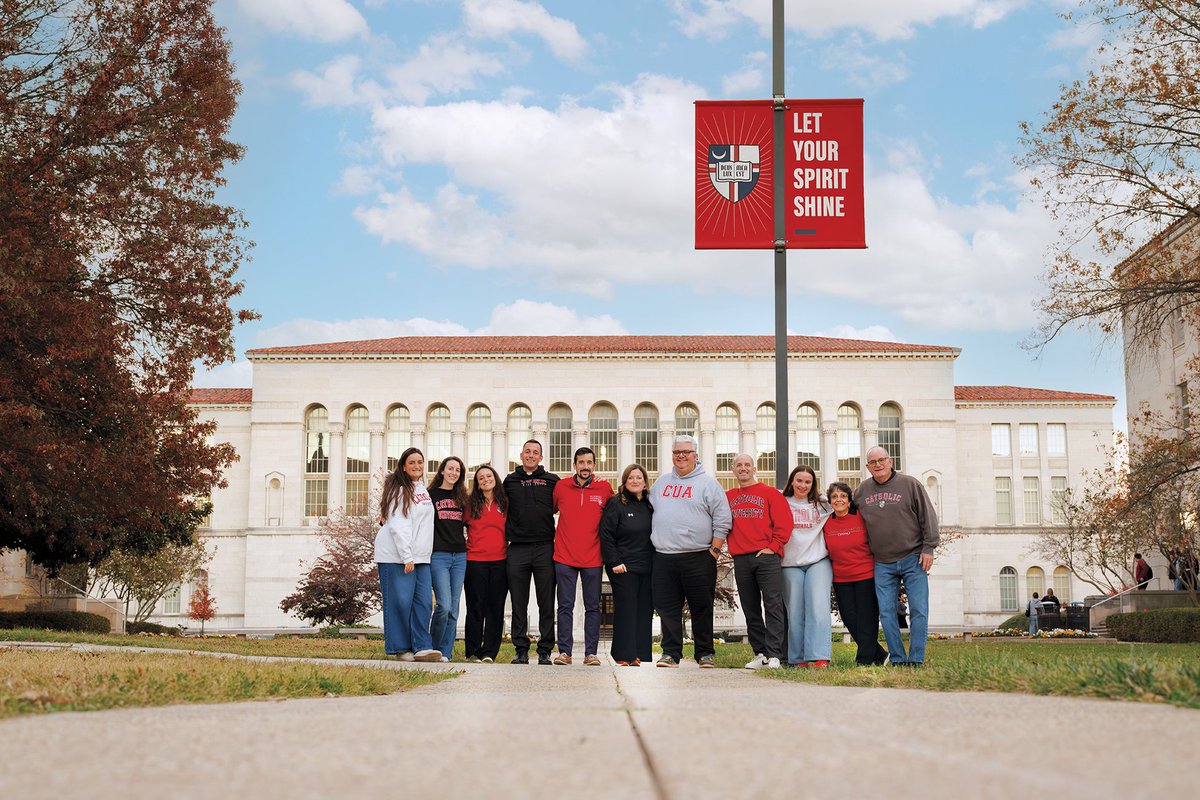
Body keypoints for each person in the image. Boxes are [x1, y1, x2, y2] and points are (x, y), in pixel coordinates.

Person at [649, 434, 732, 668]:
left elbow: (723, 519)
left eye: (686, 452)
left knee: (701, 607)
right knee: (668, 608)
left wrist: (714, 551)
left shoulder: (708, 484)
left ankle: (705, 653)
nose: (681, 456)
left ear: (696, 455)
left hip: (698, 556)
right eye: (677, 452)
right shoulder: (662, 483)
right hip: (664, 556)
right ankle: (670, 653)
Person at [854, 446, 940, 667]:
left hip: (914, 557)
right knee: (886, 612)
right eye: (873, 462)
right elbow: (850, 519)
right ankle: (899, 659)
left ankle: (917, 658)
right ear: (867, 467)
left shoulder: (910, 484)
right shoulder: (862, 491)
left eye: (881, 460)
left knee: (919, 609)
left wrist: (928, 547)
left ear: (890, 461)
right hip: (882, 562)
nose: (878, 465)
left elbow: (927, 516)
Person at [374, 447, 442, 662]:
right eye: (412, 462)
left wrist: (421, 554)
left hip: (421, 556)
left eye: (420, 462)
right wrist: (407, 555)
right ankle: (401, 648)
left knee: (423, 602)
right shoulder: (399, 488)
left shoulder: (421, 487)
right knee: (400, 602)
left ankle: (422, 646)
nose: (417, 466)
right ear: (403, 465)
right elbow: (398, 524)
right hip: (397, 556)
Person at [725, 454, 791, 670]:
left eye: (747, 465)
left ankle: (775, 655)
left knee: (773, 605)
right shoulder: (727, 496)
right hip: (741, 557)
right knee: (750, 607)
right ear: (733, 470)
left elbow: (784, 524)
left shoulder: (770, 493)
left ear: (754, 469)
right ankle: (760, 653)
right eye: (739, 465)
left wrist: (773, 547)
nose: (743, 468)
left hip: (766, 557)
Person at [551, 446, 614, 666]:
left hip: (593, 558)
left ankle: (591, 654)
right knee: (565, 606)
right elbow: (547, 512)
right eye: (581, 462)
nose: (585, 467)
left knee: (592, 607)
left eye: (589, 462)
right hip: (564, 556)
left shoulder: (604, 488)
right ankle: (565, 653)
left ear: (594, 465)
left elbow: (615, 516)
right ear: (574, 465)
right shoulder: (561, 487)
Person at [503, 440, 559, 665]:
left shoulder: (552, 481)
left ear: (541, 457)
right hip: (517, 547)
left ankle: (545, 649)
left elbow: (563, 503)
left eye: (535, 452)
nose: (531, 455)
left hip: (545, 546)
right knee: (519, 601)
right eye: (527, 451)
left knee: (546, 601)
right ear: (521, 454)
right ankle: (521, 649)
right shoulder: (510, 481)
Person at [822, 481, 888, 666]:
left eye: (843, 496)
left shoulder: (861, 517)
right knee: (850, 619)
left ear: (850, 500)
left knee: (867, 619)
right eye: (834, 497)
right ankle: (880, 654)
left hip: (865, 575)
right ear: (830, 501)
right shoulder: (827, 523)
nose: (839, 499)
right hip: (841, 578)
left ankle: (864, 660)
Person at [600, 464, 655, 666]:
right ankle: (624, 655)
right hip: (622, 566)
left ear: (645, 481)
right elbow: (605, 534)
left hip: (647, 566)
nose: (635, 481)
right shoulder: (616, 503)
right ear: (624, 481)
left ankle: (639, 654)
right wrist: (614, 561)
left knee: (644, 611)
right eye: (631, 477)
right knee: (626, 609)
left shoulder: (650, 504)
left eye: (639, 477)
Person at [781, 465, 834, 668]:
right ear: (792, 481)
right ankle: (798, 658)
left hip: (818, 561)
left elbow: (845, 506)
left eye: (807, 482)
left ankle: (819, 656)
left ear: (813, 484)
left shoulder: (822, 505)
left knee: (818, 607)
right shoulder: (781, 502)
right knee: (795, 611)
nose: (803, 485)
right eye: (799, 480)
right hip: (789, 564)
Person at [463, 464, 508, 663]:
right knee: (475, 607)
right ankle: (472, 651)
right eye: (480, 478)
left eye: (488, 476)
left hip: (500, 561)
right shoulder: (469, 504)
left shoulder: (505, 502)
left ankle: (489, 652)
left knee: (495, 608)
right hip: (475, 561)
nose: (485, 480)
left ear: (495, 478)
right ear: (477, 483)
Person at [428, 455, 468, 662]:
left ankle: (446, 652)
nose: (454, 473)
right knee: (443, 605)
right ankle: (432, 648)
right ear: (442, 470)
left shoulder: (463, 497)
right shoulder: (430, 495)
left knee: (454, 608)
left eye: (458, 470)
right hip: (439, 555)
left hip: (460, 556)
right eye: (450, 469)